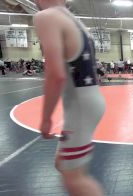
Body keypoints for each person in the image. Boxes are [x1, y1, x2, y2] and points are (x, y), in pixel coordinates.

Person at [33, 0, 106, 195]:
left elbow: (56, 75)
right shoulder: (76, 21)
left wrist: (46, 118)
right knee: (62, 163)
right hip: (89, 101)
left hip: (80, 107)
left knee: (75, 179)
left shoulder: (46, 17)